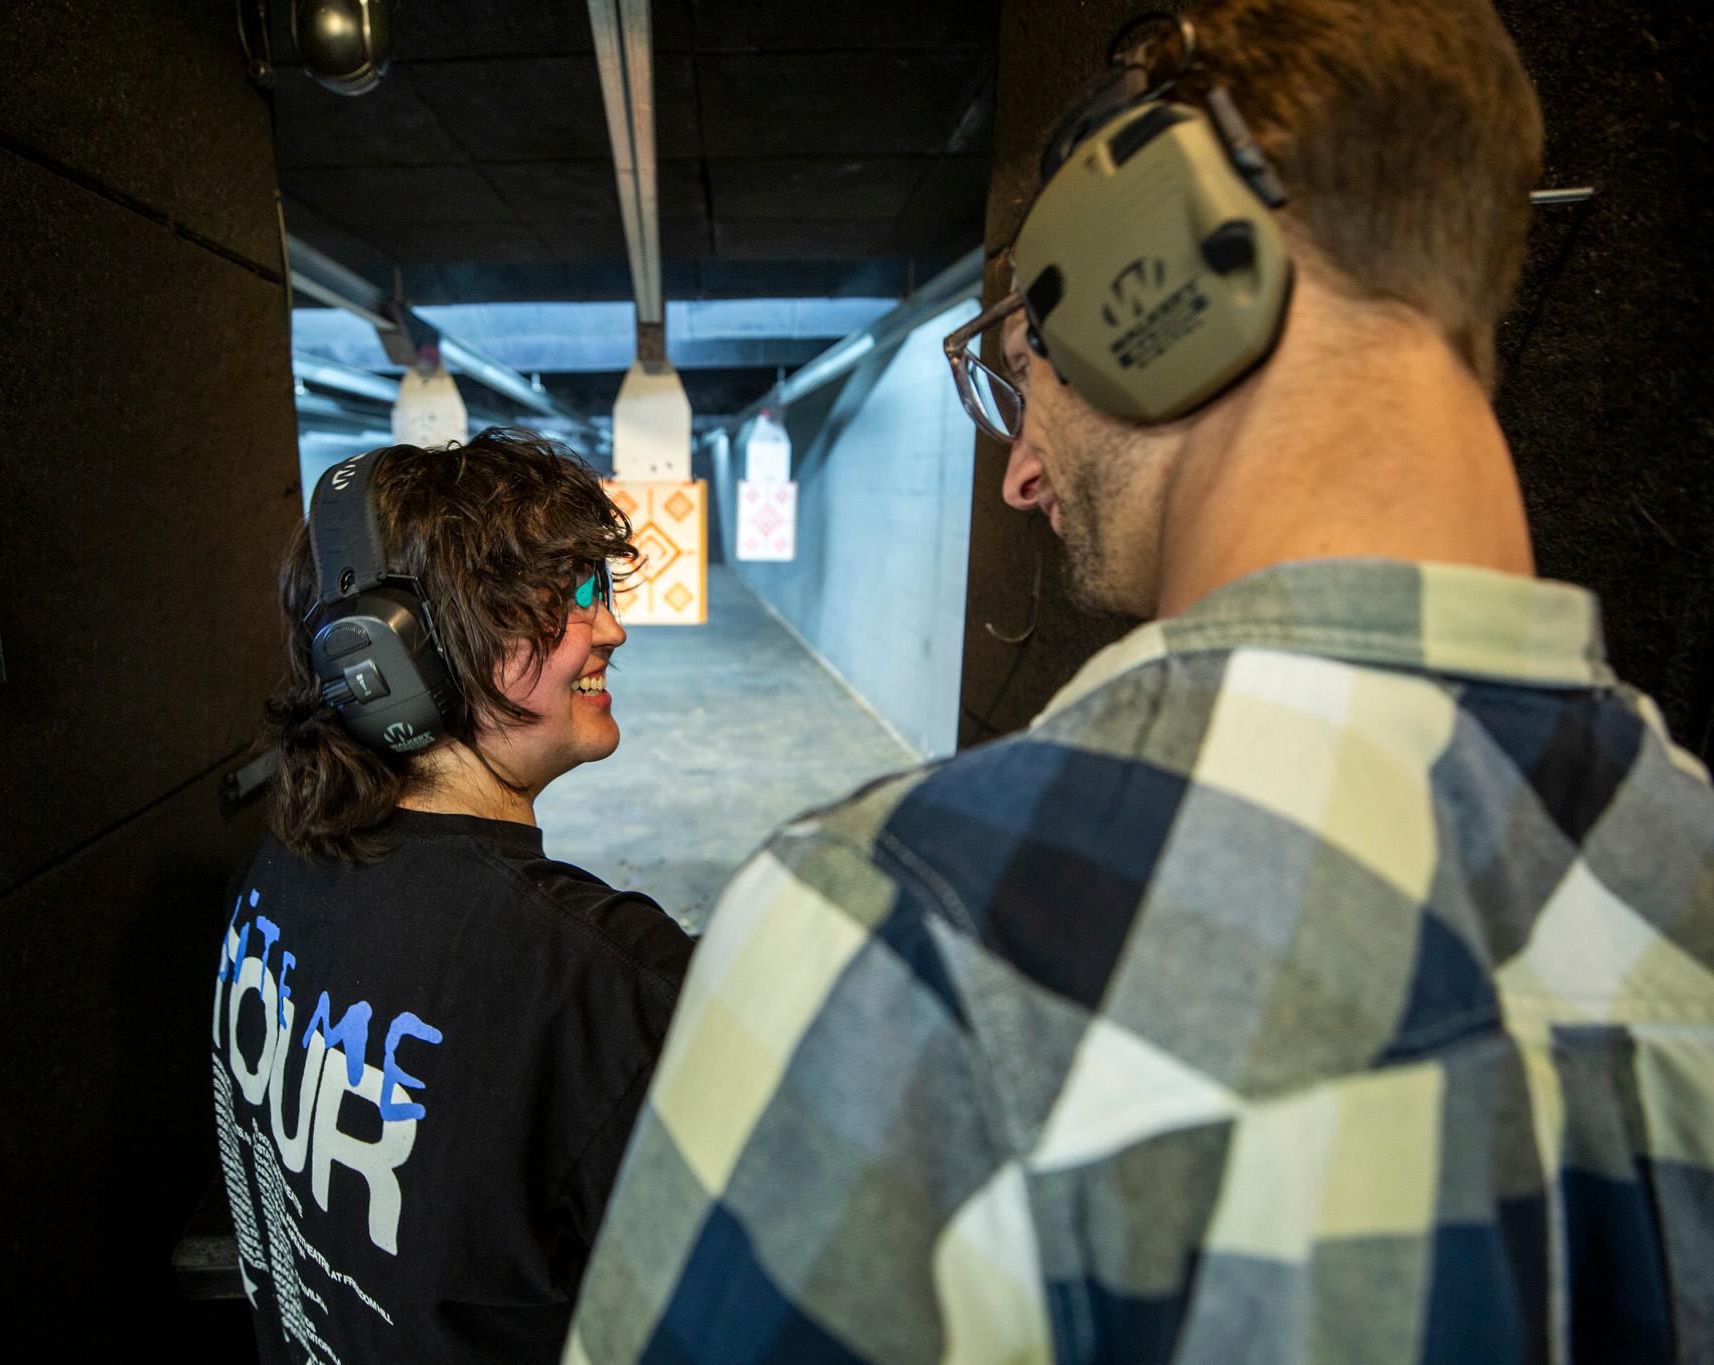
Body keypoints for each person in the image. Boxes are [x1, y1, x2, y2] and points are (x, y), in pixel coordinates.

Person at [567, 2, 1714, 1361]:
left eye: (1023, 371)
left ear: (1144, 278)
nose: (1023, 470)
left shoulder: (912, 933)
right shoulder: (1681, 849)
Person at [212, 429, 692, 1363]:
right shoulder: (593, 981)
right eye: (568, 598)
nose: (611, 628)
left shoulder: (277, 874)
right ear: (405, 657)